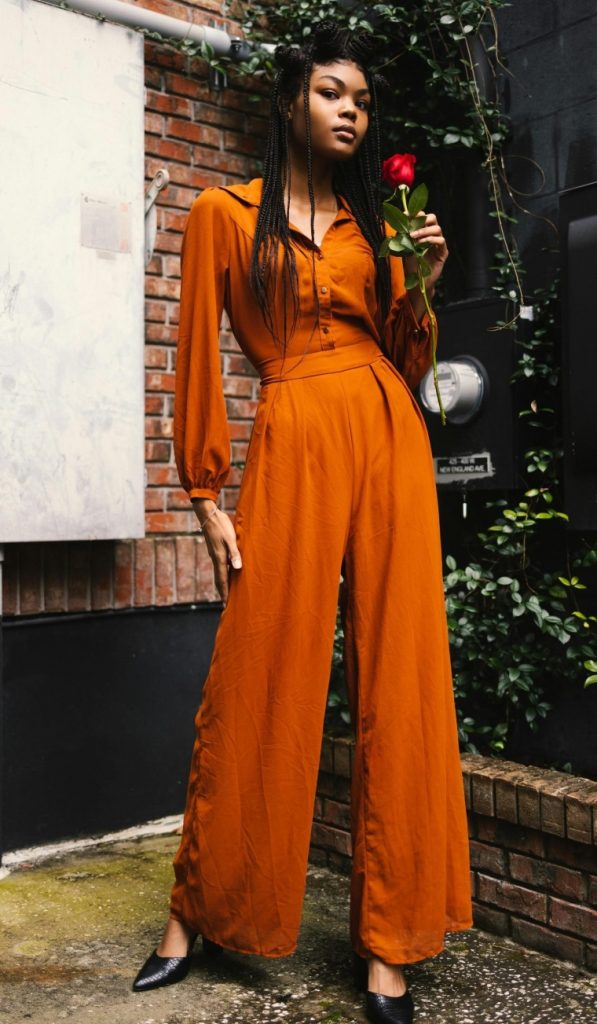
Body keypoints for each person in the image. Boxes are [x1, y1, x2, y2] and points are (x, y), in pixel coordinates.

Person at [132, 21, 473, 1024]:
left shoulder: (382, 229)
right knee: (256, 672)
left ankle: (390, 944)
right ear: (292, 101)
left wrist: (428, 282)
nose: (350, 111)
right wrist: (204, 498)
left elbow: (408, 361)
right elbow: (196, 359)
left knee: (399, 676)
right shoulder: (222, 215)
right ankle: (195, 911)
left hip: (387, 436)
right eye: (332, 92)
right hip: (291, 440)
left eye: (361, 101)